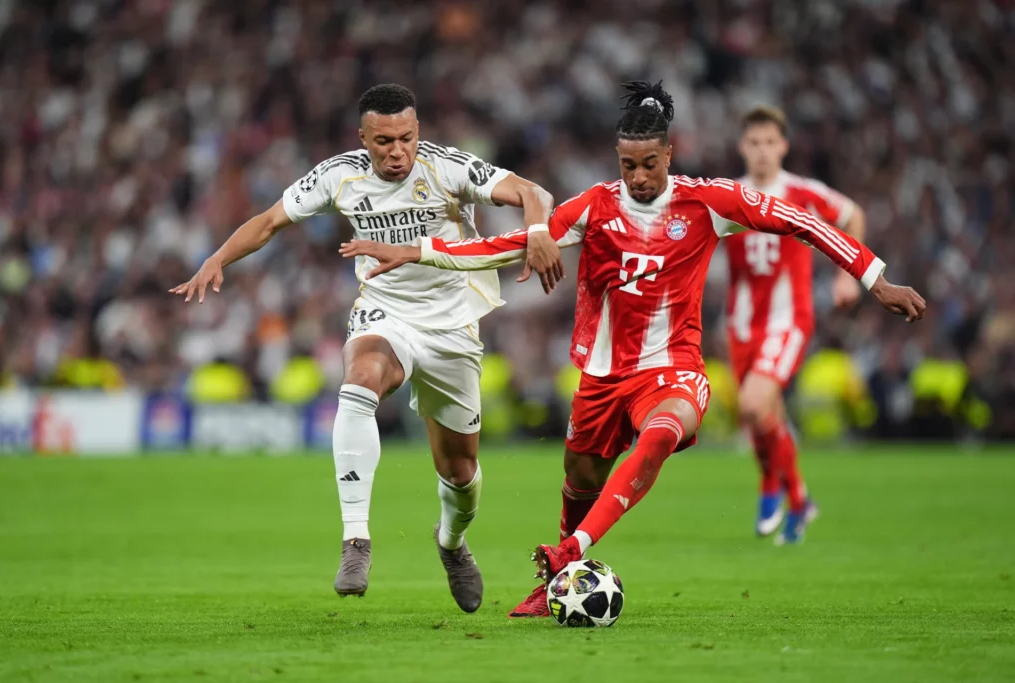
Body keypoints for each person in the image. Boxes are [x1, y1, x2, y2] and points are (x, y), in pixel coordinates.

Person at [338, 81, 926, 617]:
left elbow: (803, 222)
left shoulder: (709, 202)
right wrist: (416, 252)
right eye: (628, 165)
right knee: (580, 476)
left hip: (672, 369)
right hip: (600, 379)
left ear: (668, 156)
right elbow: (503, 244)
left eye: (649, 164)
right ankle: (558, 582)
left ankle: (568, 553)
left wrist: (877, 279)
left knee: (662, 433)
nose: (639, 177)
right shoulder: (594, 206)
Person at [170, 84, 564, 613]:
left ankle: (450, 543)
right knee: (359, 381)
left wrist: (537, 228)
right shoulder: (340, 176)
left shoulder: (446, 168)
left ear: (417, 133)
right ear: (363, 139)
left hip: (452, 325)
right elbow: (268, 222)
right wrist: (218, 257)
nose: (396, 151)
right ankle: (356, 540)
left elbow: (532, 191)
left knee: (461, 473)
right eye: (383, 142)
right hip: (386, 312)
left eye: (405, 138)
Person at [727, 105, 868, 543]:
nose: (763, 151)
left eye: (771, 142)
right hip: (741, 325)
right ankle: (801, 499)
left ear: (784, 146)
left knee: (754, 406)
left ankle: (770, 486)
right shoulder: (727, 194)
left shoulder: (803, 192)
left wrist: (850, 275)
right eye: (755, 143)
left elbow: (852, 215)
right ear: (742, 147)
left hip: (788, 322)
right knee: (765, 419)